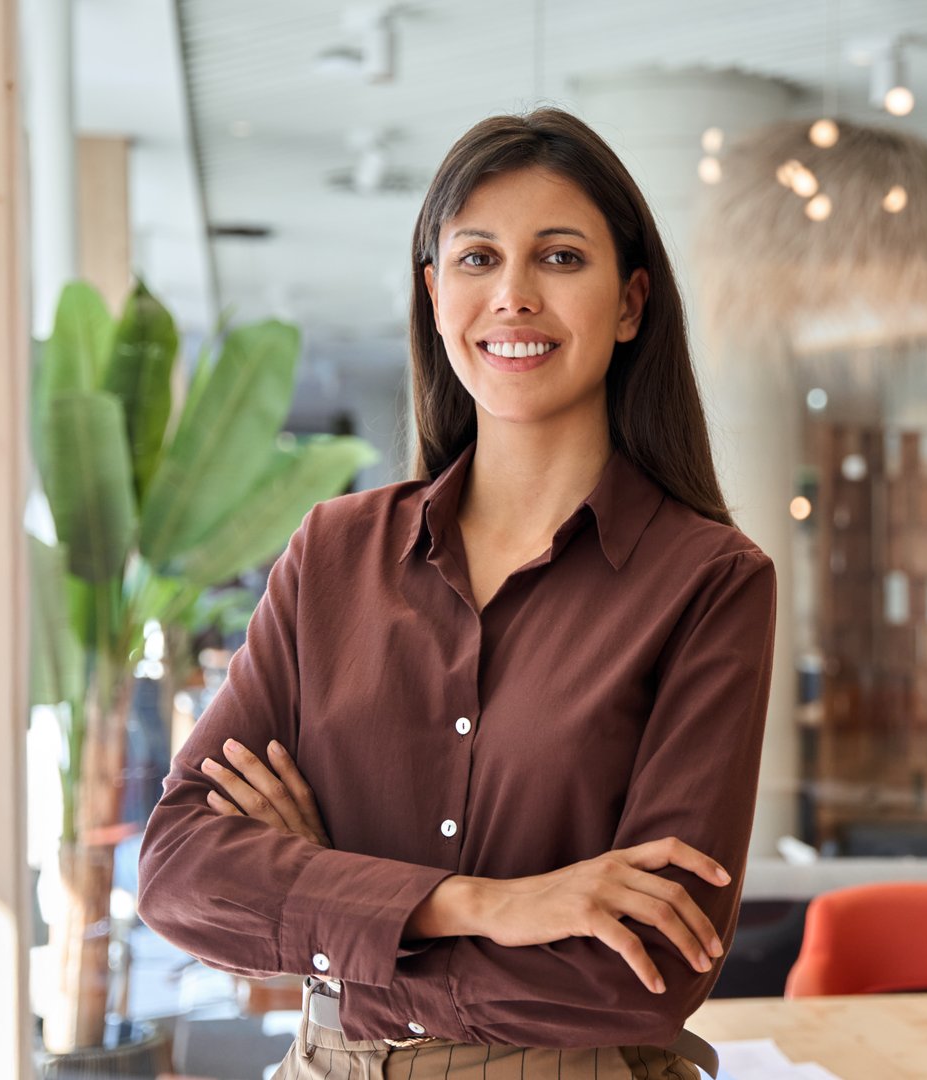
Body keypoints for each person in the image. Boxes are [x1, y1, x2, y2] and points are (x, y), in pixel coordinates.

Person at [135, 107, 779, 1080]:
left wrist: (334, 909)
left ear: (632, 303)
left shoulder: (710, 585)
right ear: (435, 295)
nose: (513, 295)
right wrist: (487, 903)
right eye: (477, 259)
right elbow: (180, 873)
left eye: (560, 259)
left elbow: (641, 975)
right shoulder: (333, 555)